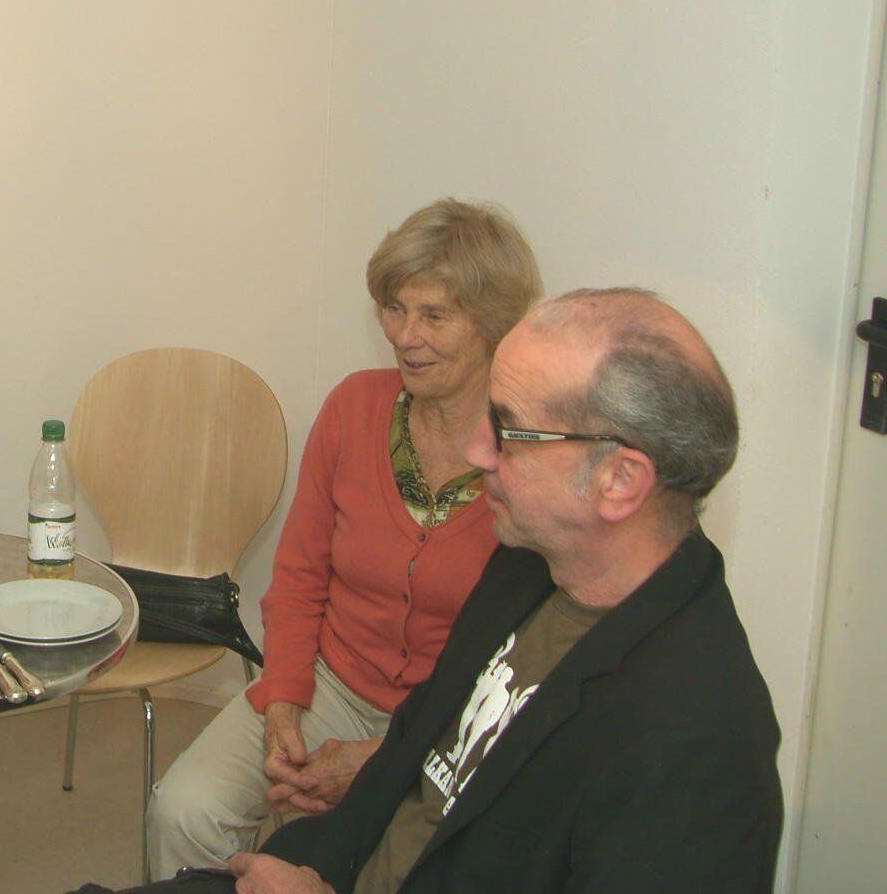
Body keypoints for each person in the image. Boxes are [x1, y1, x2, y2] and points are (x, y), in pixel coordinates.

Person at [81, 287, 782, 893]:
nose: (477, 451)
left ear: (620, 481)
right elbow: (412, 758)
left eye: (507, 429)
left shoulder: (698, 744)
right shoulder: (529, 568)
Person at [149, 200, 543, 876]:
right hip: (331, 683)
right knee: (185, 809)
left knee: (389, 865)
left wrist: (384, 758)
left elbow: (526, 663)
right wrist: (283, 704)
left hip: (453, 720)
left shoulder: (535, 454)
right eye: (394, 308)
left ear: (492, 324)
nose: (405, 336)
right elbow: (300, 576)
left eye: (434, 316)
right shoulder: (354, 406)